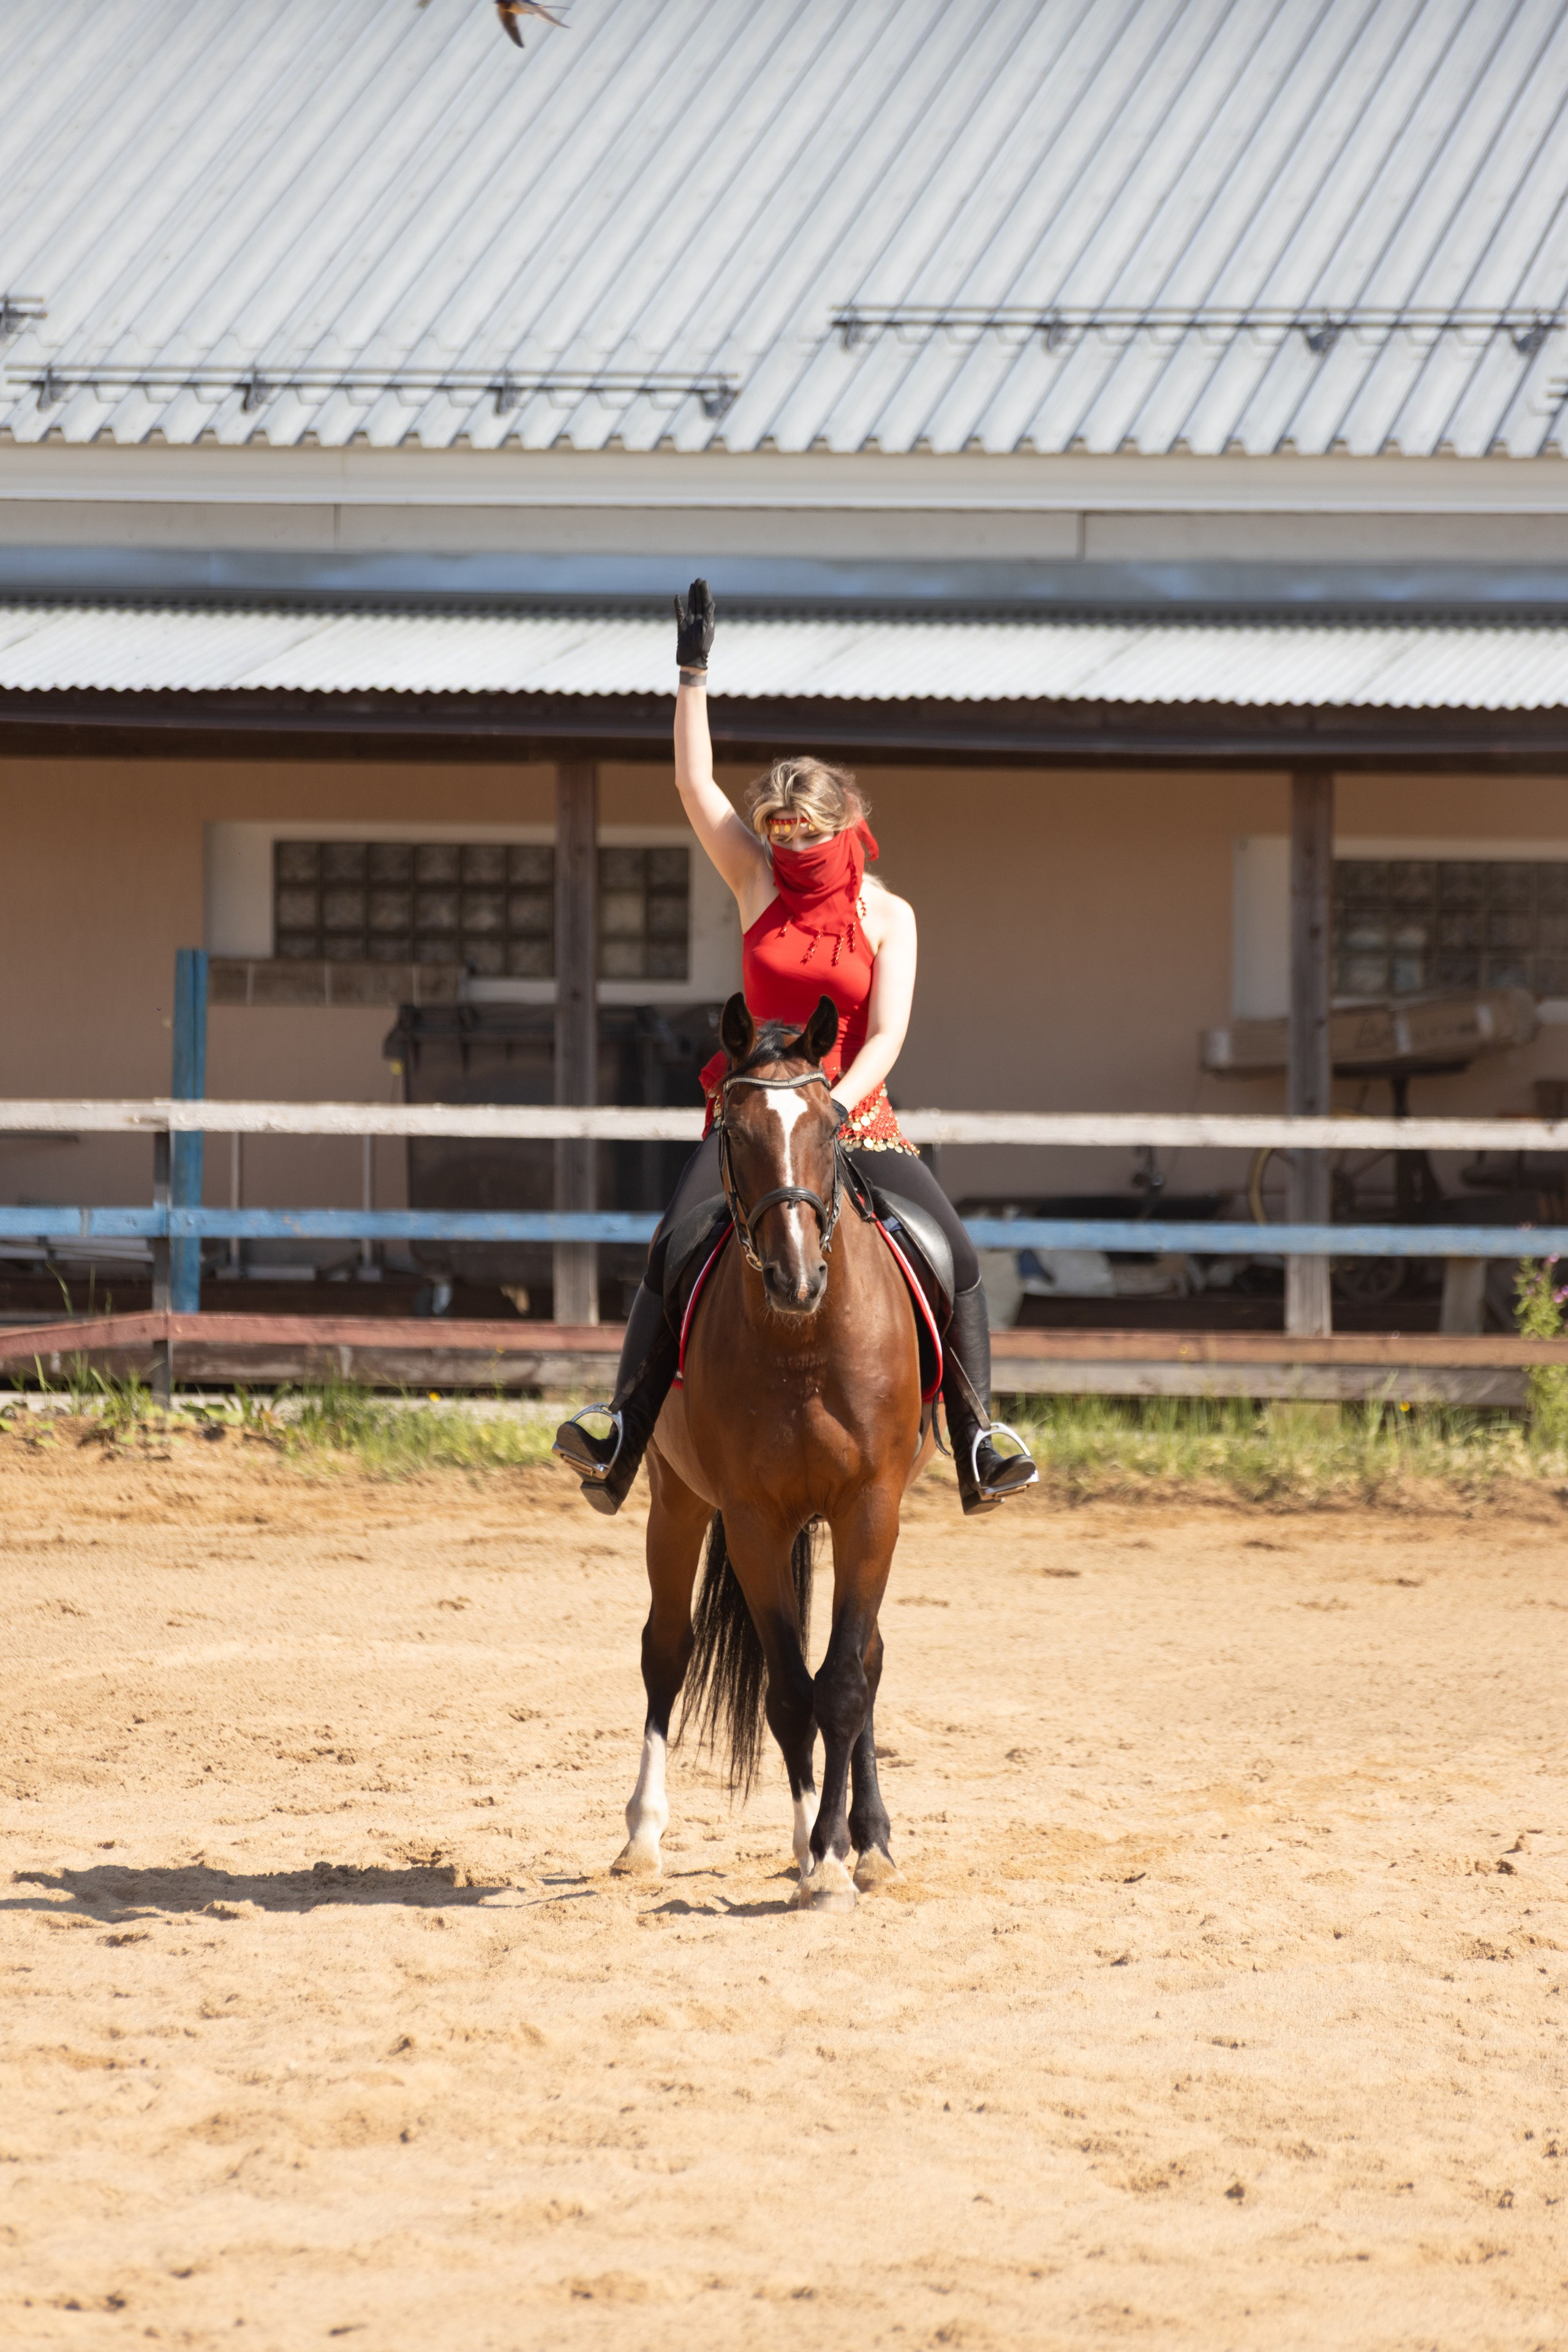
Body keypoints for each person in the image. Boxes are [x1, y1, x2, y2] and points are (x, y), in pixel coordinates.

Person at [552, 579, 1037, 1520]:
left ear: (842, 828)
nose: (785, 845)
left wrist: (841, 1103)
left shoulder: (888, 913)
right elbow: (693, 786)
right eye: (774, 830)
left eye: (802, 832)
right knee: (672, 1249)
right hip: (756, 1124)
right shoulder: (755, 884)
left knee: (955, 1254)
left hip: (859, 1117)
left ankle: (978, 1435)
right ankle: (621, 1431)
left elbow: (889, 1032)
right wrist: (691, 674)